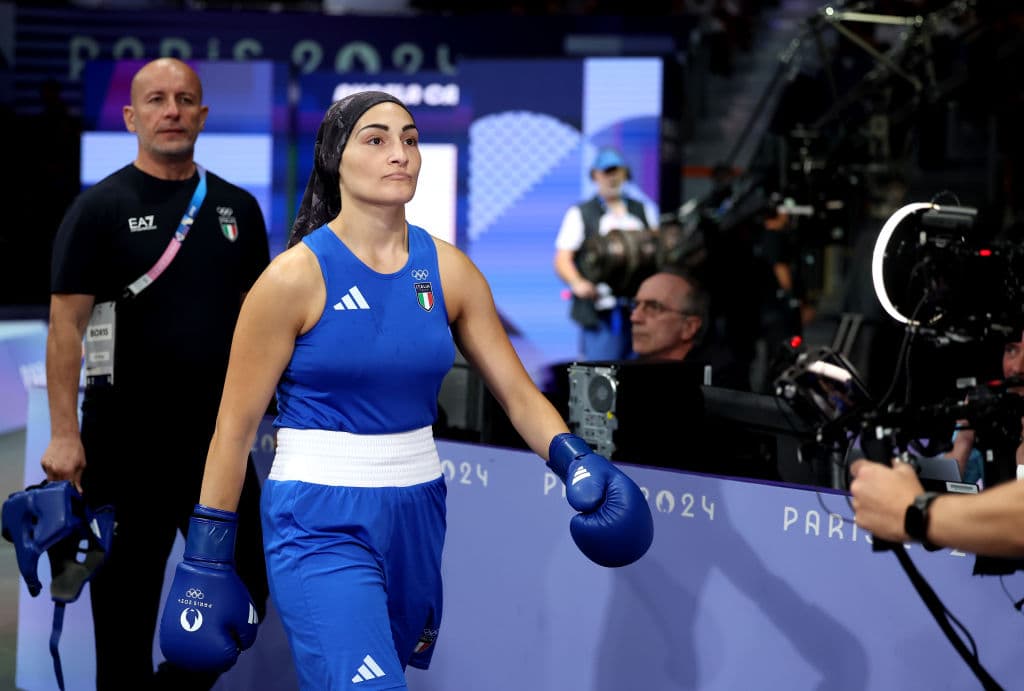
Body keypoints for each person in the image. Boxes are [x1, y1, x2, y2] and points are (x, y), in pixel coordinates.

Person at [158, 91, 654, 690]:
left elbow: (518, 394)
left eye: (411, 138)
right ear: (336, 158)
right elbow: (233, 431)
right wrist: (208, 554)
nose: (401, 153)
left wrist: (574, 458)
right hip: (318, 518)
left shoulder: (448, 269)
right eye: (377, 139)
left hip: (418, 509)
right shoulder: (291, 279)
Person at [42, 57, 270, 689]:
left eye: (184, 99)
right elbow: (66, 331)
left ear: (202, 115)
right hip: (123, 450)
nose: (171, 110)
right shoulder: (99, 210)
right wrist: (65, 435)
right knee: (123, 624)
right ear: (131, 116)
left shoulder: (238, 210)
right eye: (157, 100)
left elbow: (265, 325)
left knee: (249, 592)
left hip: (217, 448)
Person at [554, 147, 659, 361]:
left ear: (625, 174)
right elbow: (562, 258)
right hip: (601, 312)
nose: (611, 178)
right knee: (601, 374)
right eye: (606, 172)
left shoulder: (642, 210)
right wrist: (578, 283)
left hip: (637, 308)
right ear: (595, 175)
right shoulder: (581, 213)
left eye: (616, 171)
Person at [629, 267, 708, 362]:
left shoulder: (715, 374)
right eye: (636, 305)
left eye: (654, 307)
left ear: (689, 327)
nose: (634, 318)